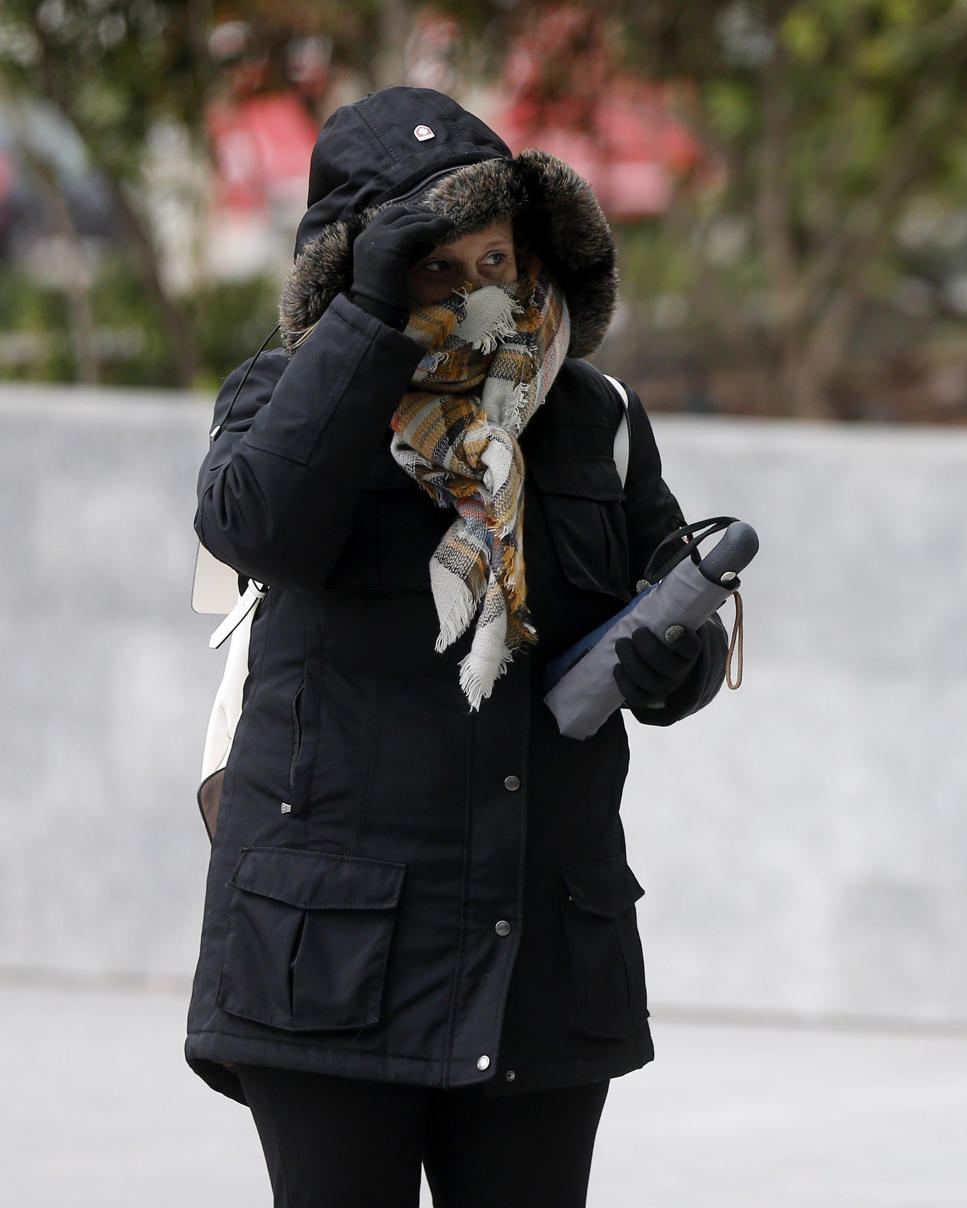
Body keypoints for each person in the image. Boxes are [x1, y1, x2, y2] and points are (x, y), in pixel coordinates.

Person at [185, 87, 729, 1208]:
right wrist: (372, 325)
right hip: (334, 959)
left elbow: (670, 602)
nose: (484, 289)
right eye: (439, 263)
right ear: (357, 272)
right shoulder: (286, 397)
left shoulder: (594, 416)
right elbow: (258, 528)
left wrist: (683, 660)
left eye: (500, 254)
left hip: (537, 951)